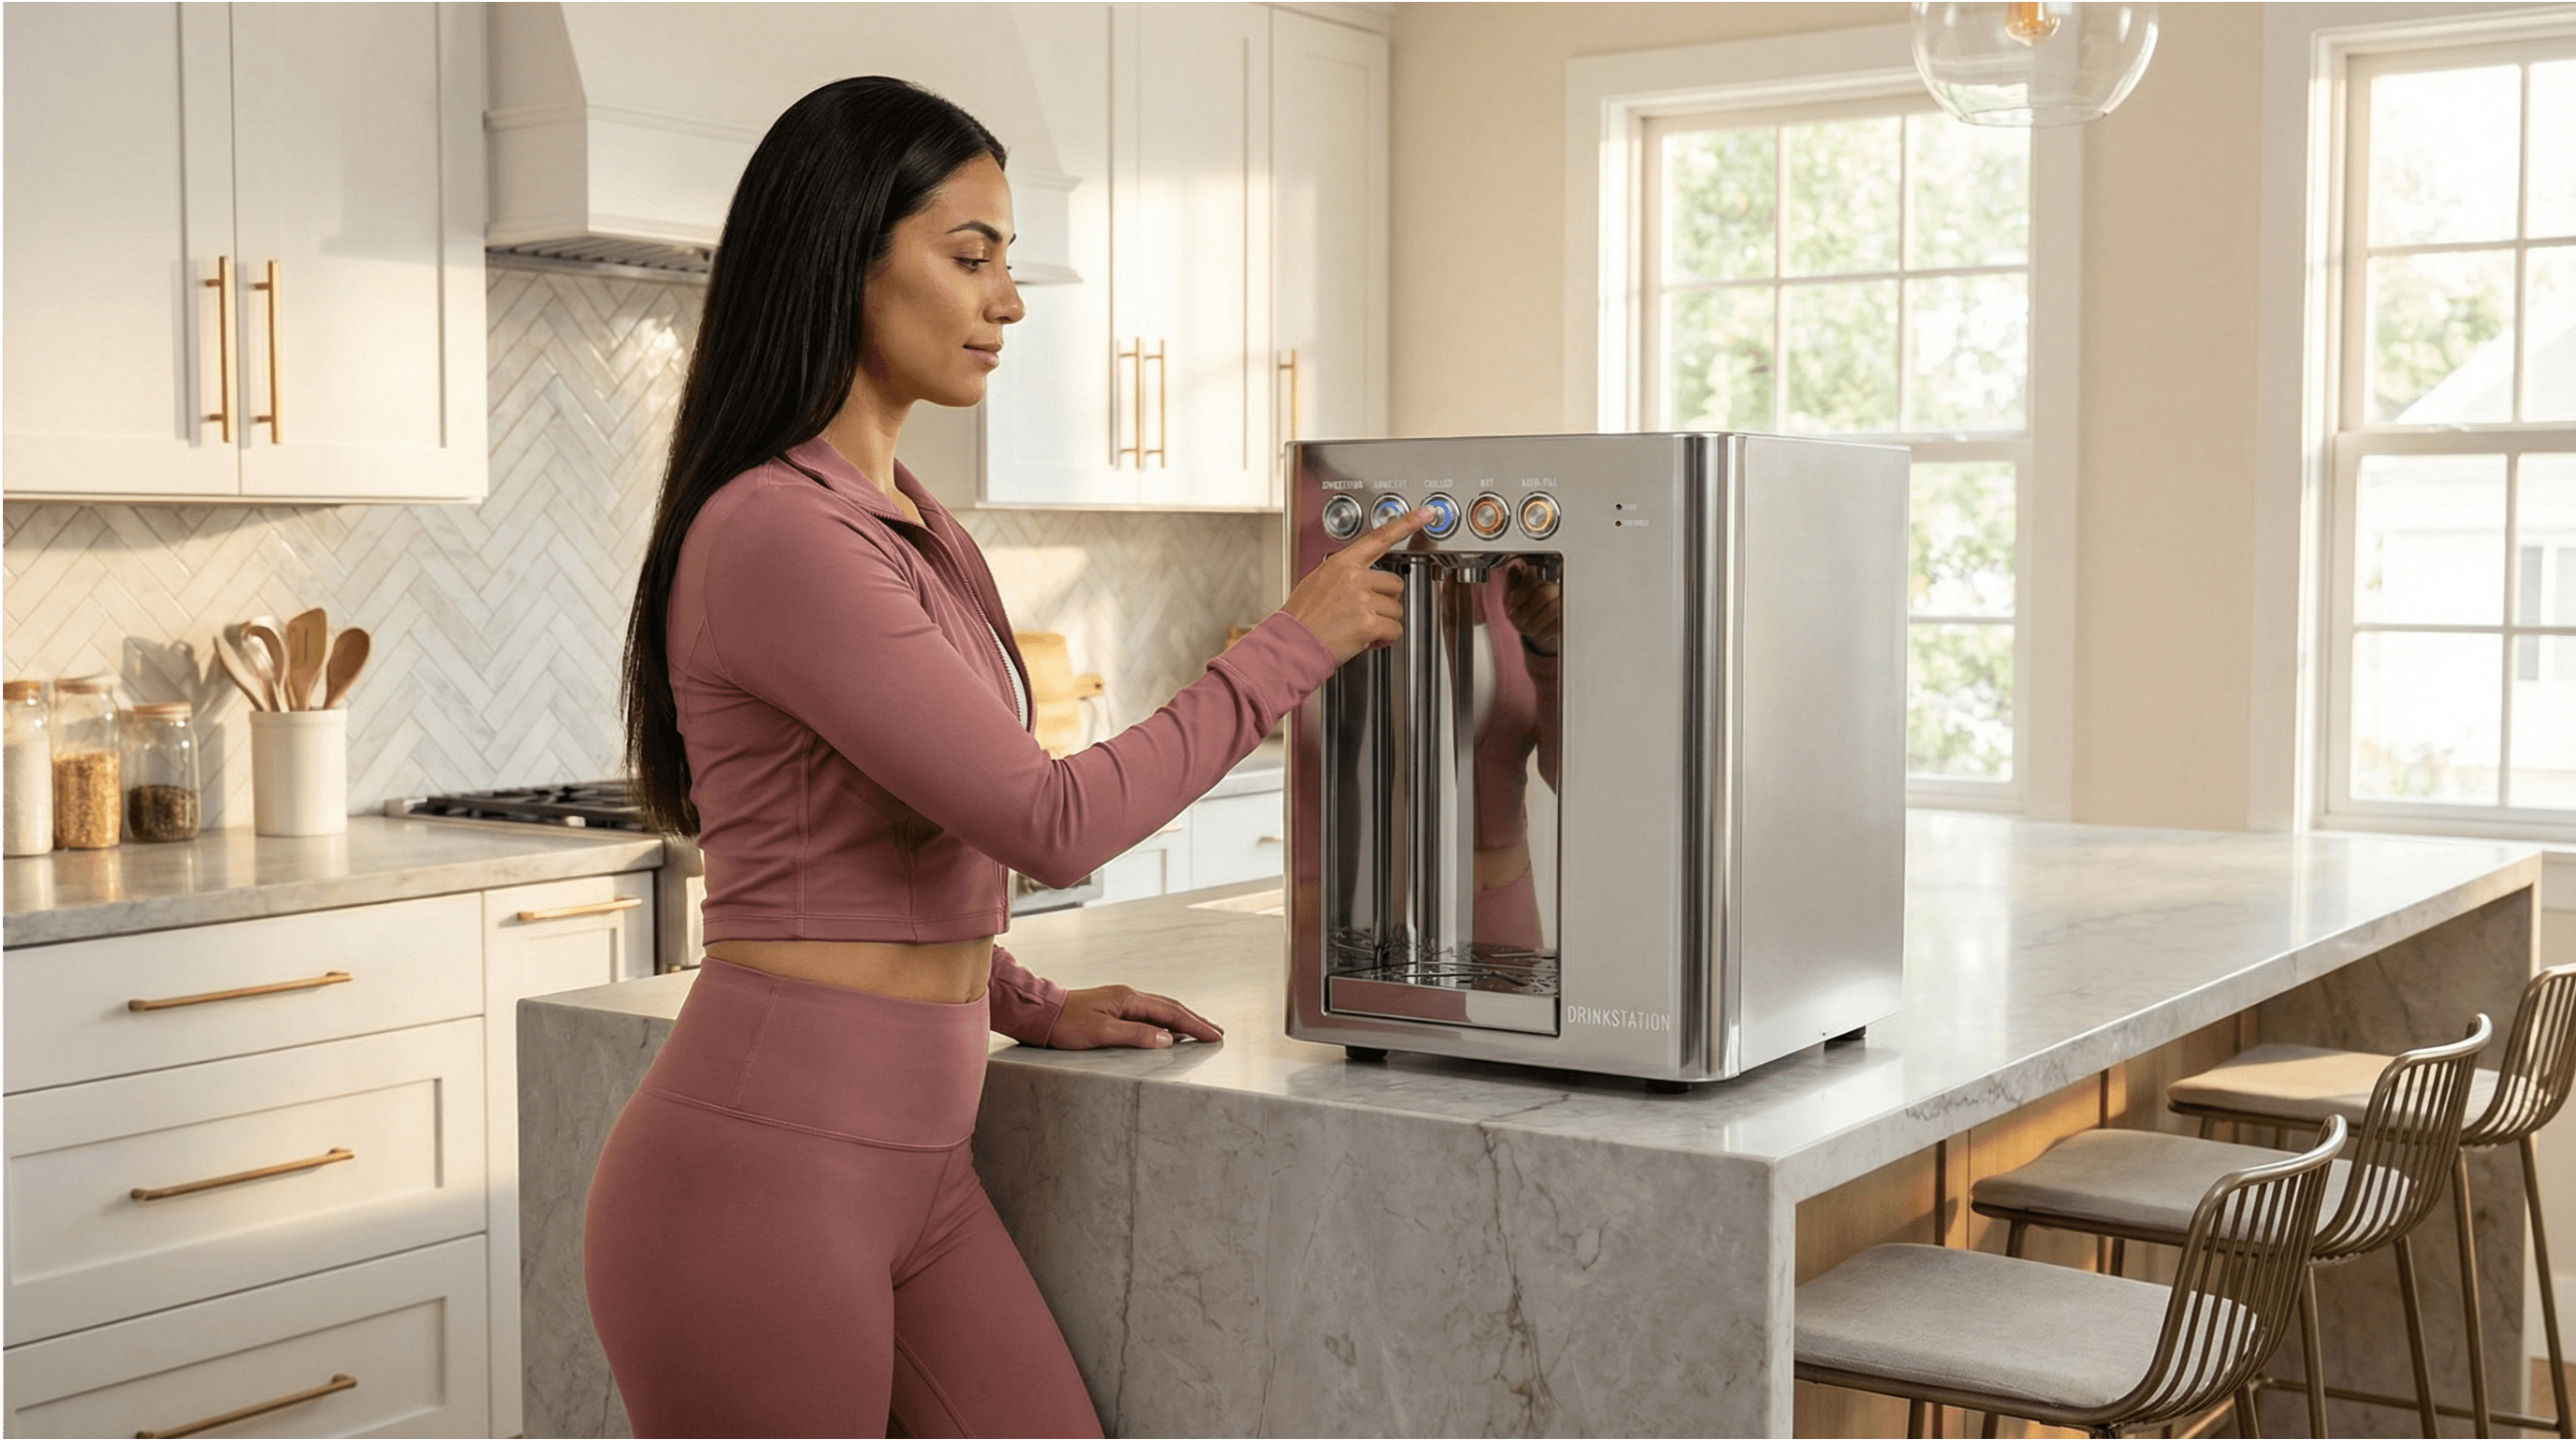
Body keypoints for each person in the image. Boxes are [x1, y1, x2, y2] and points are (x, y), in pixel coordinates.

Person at [588, 76, 1431, 1439]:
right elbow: (1050, 817)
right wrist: (1292, 645)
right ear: (842, 261)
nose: (1009, 301)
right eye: (969, 256)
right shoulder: (777, 534)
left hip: (919, 1167)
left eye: (1008, 261)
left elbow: (912, 843)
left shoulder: (915, 521)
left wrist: (1020, 995)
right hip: (764, 1177)